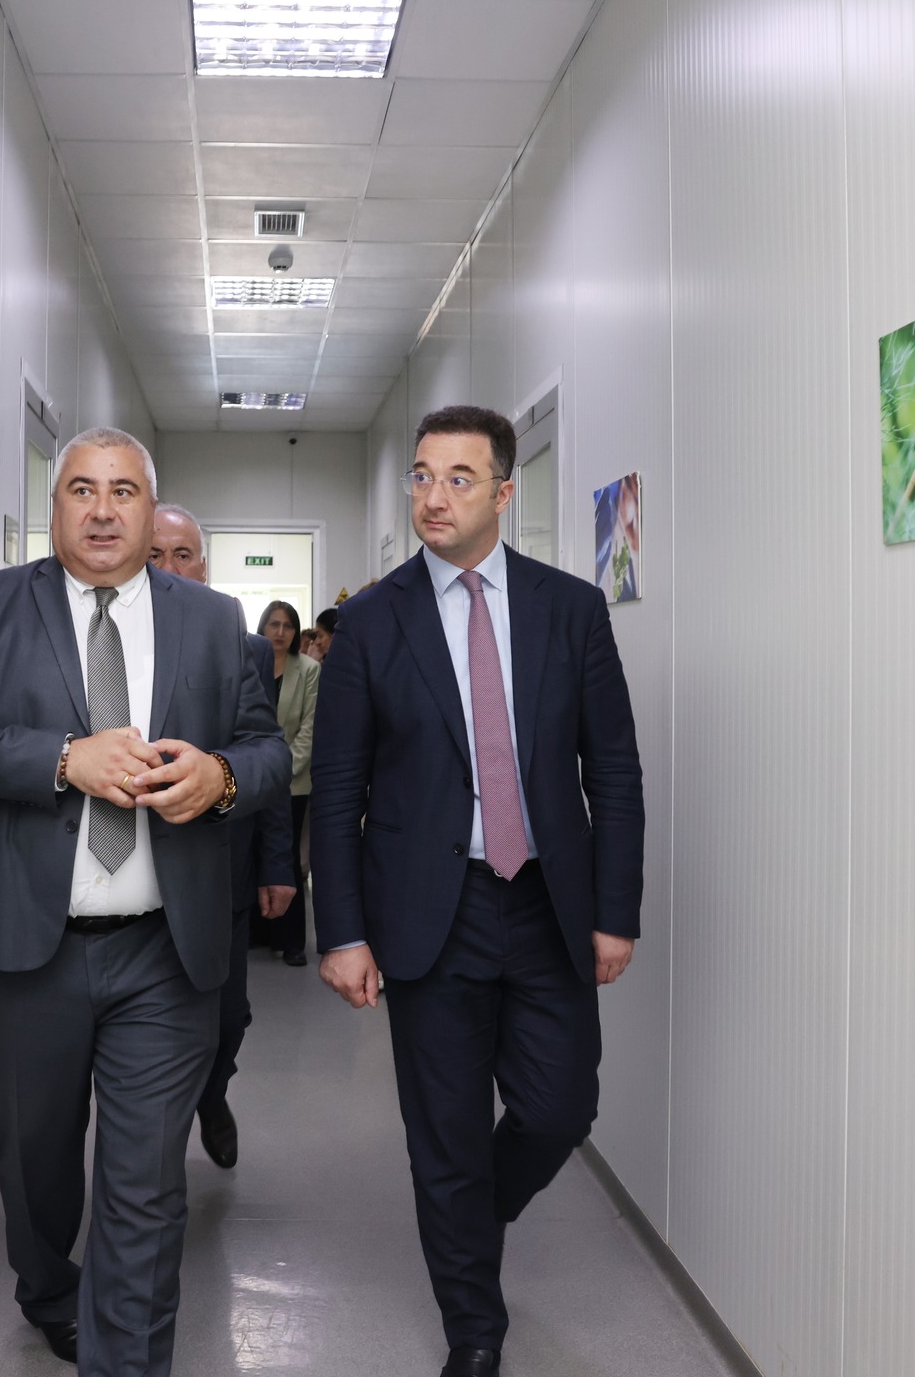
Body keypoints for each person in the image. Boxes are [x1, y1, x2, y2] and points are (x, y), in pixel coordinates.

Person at [0, 429, 288, 1374]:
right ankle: (45, 1285)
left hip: (165, 948)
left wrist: (223, 778)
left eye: (124, 491)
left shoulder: (213, 619)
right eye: (82, 489)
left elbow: (267, 753)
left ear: (152, 511)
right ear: (56, 507)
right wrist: (61, 759)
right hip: (22, 944)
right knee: (34, 1160)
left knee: (145, 1187)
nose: (104, 510)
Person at [310, 405, 646, 1377]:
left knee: (558, 1108)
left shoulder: (568, 609)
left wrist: (614, 912)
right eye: (421, 475)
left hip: (547, 904)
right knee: (445, 1132)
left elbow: (612, 771)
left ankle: (469, 1215)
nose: (433, 496)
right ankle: (474, 1329)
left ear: (503, 492)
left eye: (458, 478)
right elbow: (337, 789)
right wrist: (343, 932)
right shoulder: (370, 622)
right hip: (429, 911)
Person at [149, 503, 294, 1169]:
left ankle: (214, 1093)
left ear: (203, 567)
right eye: (155, 555)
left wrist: (278, 865)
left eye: (183, 555)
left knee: (227, 1016)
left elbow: (266, 761)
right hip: (137, 872)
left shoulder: (247, 648)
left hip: (221, 866)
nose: (170, 568)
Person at [256, 600, 319, 967]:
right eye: (274, 624)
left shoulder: (309, 669)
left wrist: (280, 770)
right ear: (262, 627)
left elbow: (310, 728)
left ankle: (292, 941)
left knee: (288, 859)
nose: (280, 632)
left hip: (292, 781)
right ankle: (259, 932)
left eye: (288, 626)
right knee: (253, 853)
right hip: (252, 779)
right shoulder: (250, 664)